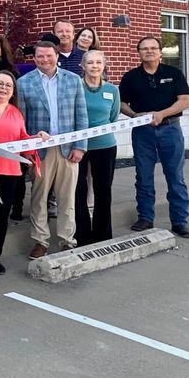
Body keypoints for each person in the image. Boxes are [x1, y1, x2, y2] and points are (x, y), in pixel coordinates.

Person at [16, 40, 88, 258]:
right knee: (39, 198)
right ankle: (41, 241)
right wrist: (28, 149)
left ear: (57, 56)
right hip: (40, 151)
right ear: (34, 58)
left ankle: (67, 240)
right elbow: (22, 119)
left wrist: (80, 147)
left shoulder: (74, 80)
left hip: (68, 148)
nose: (44, 60)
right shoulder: (23, 83)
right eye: (40, 56)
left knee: (67, 198)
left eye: (49, 56)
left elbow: (81, 115)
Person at [119, 36, 189, 237]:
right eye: (144, 48)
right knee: (143, 176)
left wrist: (162, 114)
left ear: (160, 52)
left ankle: (179, 221)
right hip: (143, 132)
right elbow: (121, 103)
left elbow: (185, 100)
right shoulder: (131, 77)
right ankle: (145, 218)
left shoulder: (173, 73)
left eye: (153, 48)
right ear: (139, 53)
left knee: (175, 176)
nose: (149, 51)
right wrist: (135, 115)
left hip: (170, 130)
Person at [0, 70, 45, 274]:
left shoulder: (16, 113)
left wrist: (36, 137)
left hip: (10, 172)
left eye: (8, 85)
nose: (4, 88)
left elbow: (23, 138)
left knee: (1, 217)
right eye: (0, 84)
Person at [76, 50, 121, 245]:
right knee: (78, 190)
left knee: (103, 191)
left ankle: (103, 234)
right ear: (83, 66)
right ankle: (82, 235)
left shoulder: (112, 90)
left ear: (104, 66)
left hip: (105, 145)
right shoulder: (76, 87)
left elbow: (113, 117)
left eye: (98, 63)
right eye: (90, 63)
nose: (94, 66)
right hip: (78, 146)